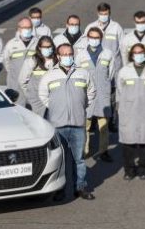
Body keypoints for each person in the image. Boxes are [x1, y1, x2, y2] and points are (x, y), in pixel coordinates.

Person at [39, 43, 96, 201]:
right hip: (58, 125)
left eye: (70, 53)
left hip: (78, 123)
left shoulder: (83, 73)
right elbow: (43, 94)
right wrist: (56, 108)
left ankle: (80, 187)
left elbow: (91, 91)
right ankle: (60, 190)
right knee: (61, 160)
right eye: (64, 54)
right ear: (58, 56)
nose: (67, 56)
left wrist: (82, 105)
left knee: (79, 159)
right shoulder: (50, 75)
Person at [116, 43, 145, 180]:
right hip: (128, 110)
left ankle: (142, 168)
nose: (138, 55)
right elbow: (120, 89)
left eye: (141, 52)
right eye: (135, 53)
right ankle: (129, 169)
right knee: (128, 141)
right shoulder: (124, 71)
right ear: (131, 55)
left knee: (144, 141)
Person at [76, 27, 116, 161]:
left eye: (96, 38)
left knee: (103, 126)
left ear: (101, 39)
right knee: (85, 125)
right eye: (91, 37)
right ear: (88, 38)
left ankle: (103, 151)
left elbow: (110, 74)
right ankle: (85, 150)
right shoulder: (81, 55)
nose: (94, 40)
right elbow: (77, 74)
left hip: (103, 95)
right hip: (86, 95)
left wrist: (103, 86)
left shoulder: (108, 54)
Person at [17, 36, 56, 116]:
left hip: (54, 101)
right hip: (37, 102)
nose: (47, 49)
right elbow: (22, 81)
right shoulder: (32, 61)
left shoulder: (57, 61)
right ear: (39, 48)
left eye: (49, 47)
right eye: (44, 47)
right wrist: (30, 94)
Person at [1, 18, 38, 101]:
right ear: (19, 28)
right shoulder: (11, 44)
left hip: (32, 86)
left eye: (29, 27)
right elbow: (6, 62)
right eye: (24, 27)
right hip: (15, 87)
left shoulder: (37, 43)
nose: (27, 30)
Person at [85, 2, 124, 73]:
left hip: (114, 66)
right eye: (101, 14)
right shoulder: (90, 27)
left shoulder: (116, 27)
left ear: (109, 14)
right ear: (98, 14)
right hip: (96, 65)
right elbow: (84, 46)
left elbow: (123, 47)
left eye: (106, 14)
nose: (103, 16)